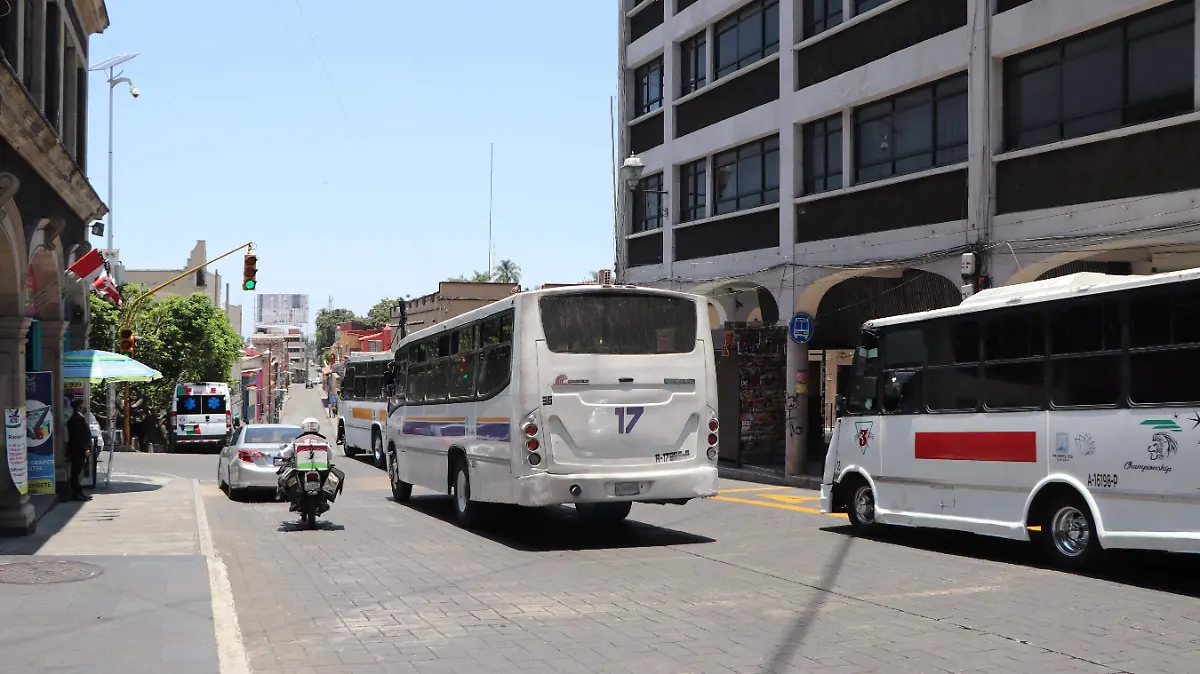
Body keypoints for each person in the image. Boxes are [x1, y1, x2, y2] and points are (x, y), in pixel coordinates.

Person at [66, 399, 92, 501]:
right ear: (78, 407)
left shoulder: (79, 418)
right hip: (77, 450)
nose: (84, 407)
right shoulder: (76, 419)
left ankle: (79, 493)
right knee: (75, 473)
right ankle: (76, 494)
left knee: (77, 472)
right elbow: (78, 437)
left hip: (79, 450)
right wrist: (85, 448)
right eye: (83, 405)